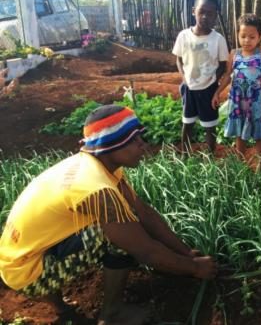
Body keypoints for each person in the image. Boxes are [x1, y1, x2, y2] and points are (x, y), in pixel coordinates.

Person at [0, 105, 217, 325]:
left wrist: (186, 252)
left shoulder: (96, 165)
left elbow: (143, 212)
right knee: (116, 235)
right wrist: (196, 268)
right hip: (27, 273)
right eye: (134, 140)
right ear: (111, 146)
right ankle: (113, 313)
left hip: (19, 257)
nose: (143, 145)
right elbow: (146, 251)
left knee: (122, 222)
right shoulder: (97, 188)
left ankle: (60, 306)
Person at [211, 14, 261, 158]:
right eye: (243, 36)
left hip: (255, 101)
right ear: (237, 34)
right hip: (237, 100)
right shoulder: (234, 54)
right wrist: (217, 93)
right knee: (239, 132)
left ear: (259, 37)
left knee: (259, 132)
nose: (247, 40)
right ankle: (240, 165)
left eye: (252, 37)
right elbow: (227, 76)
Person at [173, 0, 229, 154]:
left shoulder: (218, 39)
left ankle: (210, 159)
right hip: (188, 88)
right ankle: (185, 156)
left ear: (215, 16)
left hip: (209, 90)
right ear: (193, 12)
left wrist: (211, 82)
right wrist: (184, 78)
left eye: (210, 13)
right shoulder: (184, 36)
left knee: (210, 127)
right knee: (187, 124)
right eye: (201, 12)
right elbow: (179, 59)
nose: (205, 16)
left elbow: (222, 65)